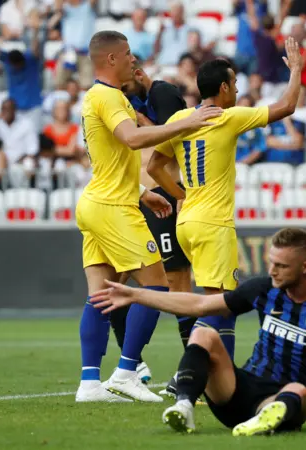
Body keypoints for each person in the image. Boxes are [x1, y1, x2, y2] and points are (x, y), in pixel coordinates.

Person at [89, 227, 306, 435]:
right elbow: (198, 305)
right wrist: (135, 294)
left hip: (287, 401)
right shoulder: (262, 288)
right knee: (206, 331)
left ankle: (262, 422)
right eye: (271, 262)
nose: (273, 270)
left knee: (300, 391)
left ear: (305, 267)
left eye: (281, 266)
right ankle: (184, 406)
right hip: (238, 391)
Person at [74, 30, 222, 403]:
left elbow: (110, 159)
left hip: (97, 200)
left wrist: (142, 192)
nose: (132, 61)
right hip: (113, 207)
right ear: (111, 59)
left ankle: (90, 383)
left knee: (102, 295)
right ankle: (127, 372)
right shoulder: (108, 97)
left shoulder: (96, 97)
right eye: (127, 55)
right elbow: (133, 139)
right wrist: (187, 122)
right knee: (156, 285)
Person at [146, 38, 304, 372]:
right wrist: (297, 71)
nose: (236, 89)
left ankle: (213, 377)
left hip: (186, 223)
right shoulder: (227, 117)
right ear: (223, 87)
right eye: (233, 83)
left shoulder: (182, 118)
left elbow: (154, 167)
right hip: (213, 224)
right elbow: (287, 106)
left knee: (211, 304)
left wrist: (181, 196)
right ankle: (205, 378)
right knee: (220, 306)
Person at [112, 60, 195, 387]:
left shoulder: (161, 93)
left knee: (176, 282)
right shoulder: (113, 102)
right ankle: (131, 366)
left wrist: (145, 124)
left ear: (138, 75)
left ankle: (191, 368)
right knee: (112, 283)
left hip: (161, 193)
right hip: (131, 197)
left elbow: (178, 139)